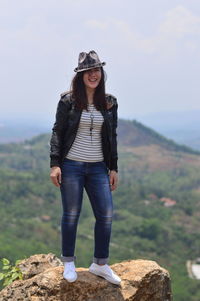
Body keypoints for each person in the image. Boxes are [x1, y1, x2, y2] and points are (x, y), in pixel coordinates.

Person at [49, 50, 121, 285]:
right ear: (80, 75)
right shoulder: (68, 101)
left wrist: (113, 168)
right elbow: (58, 132)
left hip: (98, 167)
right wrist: (55, 164)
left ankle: (100, 264)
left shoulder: (109, 103)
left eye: (97, 70)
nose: (93, 75)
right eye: (88, 71)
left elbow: (112, 136)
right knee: (71, 214)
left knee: (106, 214)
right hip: (72, 166)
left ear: (102, 73)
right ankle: (68, 262)